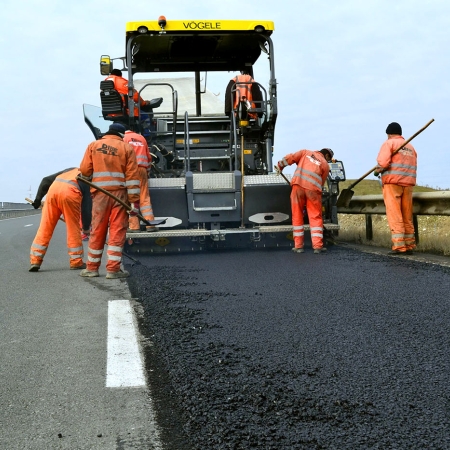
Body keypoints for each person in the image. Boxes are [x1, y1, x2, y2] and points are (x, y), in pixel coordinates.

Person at [79, 122, 141, 279]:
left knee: (97, 230)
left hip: (99, 195)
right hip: (119, 196)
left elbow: (85, 170)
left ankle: (92, 268)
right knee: (117, 231)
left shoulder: (93, 145)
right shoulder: (127, 148)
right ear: (121, 135)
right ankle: (113, 270)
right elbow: (132, 177)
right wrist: (133, 202)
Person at [29, 168, 92, 272]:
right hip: (70, 194)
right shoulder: (88, 178)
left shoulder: (70, 170)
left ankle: (35, 260)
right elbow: (86, 207)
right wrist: (85, 227)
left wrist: (38, 199)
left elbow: (45, 180)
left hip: (52, 193)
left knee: (45, 227)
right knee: (73, 228)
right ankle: (76, 261)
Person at [277, 148, 333, 254]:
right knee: (315, 216)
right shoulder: (325, 164)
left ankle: (298, 247)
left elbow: (291, 158)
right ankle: (317, 247)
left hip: (297, 186)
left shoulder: (305, 152)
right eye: (329, 158)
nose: (328, 160)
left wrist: (280, 165)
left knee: (297, 215)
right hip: (313, 190)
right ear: (326, 155)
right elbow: (321, 182)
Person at [374, 122, 417, 255]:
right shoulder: (410, 147)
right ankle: (409, 245)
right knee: (406, 215)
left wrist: (377, 171)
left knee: (395, 214)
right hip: (408, 184)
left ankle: (399, 246)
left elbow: (383, 163)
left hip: (393, 184)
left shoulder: (389, 144)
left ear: (389, 134)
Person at [123, 129, 157, 232]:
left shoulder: (123, 138)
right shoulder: (141, 138)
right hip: (142, 169)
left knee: (132, 198)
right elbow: (149, 157)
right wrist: (148, 171)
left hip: (130, 170)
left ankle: (134, 226)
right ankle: (150, 224)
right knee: (144, 197)